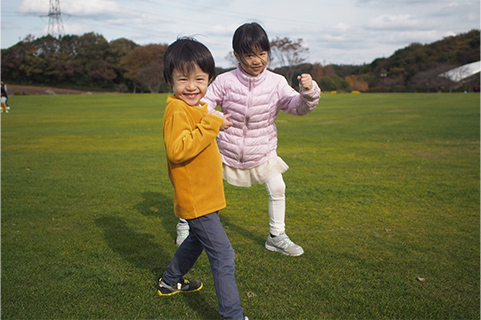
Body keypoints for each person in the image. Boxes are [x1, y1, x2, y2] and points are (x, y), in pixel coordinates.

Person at [176, 22, 321, 257]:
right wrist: (217, 118)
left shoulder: (276, 82)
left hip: (262, 149)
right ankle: (185, 225)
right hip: (224, 148)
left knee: (278, 187)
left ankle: (276, 236)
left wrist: (309, 92)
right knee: (200, 186)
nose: (257, 60)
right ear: (237, 55)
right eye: (250, 55)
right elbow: (205, 104)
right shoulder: (224, 81)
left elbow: (297, 107)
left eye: (262, 54)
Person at [159, 37, 247, 320]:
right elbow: (178, 149)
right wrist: (212, 123)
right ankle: (232, 316)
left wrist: (217, 121)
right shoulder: (176, 109)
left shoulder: (194, 108)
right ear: (170, 80)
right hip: (197, 199)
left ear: (209, 78)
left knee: (196, 240)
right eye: (183, 79)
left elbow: (200, 133)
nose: (192, 86)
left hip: (205, 195)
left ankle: (170, 281)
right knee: (223, 255)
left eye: (200, 79)